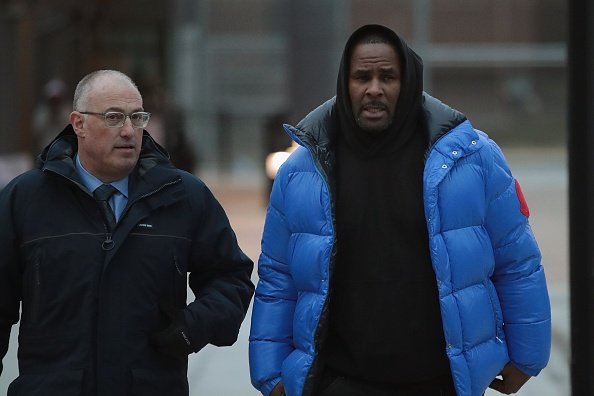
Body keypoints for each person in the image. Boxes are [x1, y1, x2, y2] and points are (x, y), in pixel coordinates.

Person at [249, 24, 551, 396]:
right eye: (362, 77)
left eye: (387, 77)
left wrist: (527, 356)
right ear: (345, 83)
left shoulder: (472, 159)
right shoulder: (301, 171)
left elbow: (517, 261)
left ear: (407, 83)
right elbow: (278, 277)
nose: (374, 88)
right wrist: (269, 373)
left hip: (440, 381)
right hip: (337, 382)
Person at [0, 69, 254, 395]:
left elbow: (230, 277)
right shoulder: (26, 199)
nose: (128, 131)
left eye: (137, 117)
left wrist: (192, 328)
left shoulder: (183, 196)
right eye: (114, 117)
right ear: (78, 123)